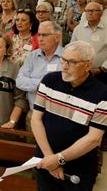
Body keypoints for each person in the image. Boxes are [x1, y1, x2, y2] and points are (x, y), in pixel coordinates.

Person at [32, 41, 106, 191]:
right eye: (63, 60)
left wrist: (59, 159)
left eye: (72, 62)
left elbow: (94, 138)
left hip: (79, 169)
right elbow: (36, 119)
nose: (64, 66)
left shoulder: (102, 93)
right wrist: (50, 159)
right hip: (46, 162)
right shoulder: (50, 80)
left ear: (88, 65)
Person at [16, 21, 63, 132]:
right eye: (39, 35)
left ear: (57, 37)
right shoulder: (32, 56)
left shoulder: (66, 57)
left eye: (45, 35)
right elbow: (19, 80)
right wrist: (40, 86)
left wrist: (32, 82)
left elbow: (63, 86)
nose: (40, 38)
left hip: (58, 116)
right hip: (33, 113)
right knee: (30, 148)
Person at [71, 2, 106, 79]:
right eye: (87, 11)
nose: (90, 13)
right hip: (81, 72)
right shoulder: (78, 29)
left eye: (93, 10)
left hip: (103, 73)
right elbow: (72, 49)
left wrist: (102, 68)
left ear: (101, 13)